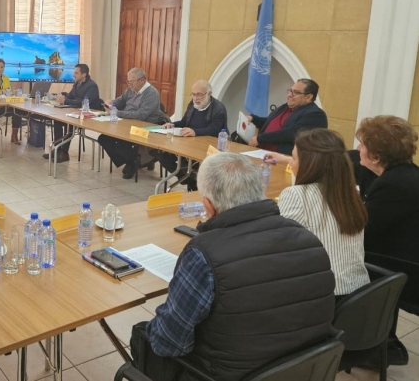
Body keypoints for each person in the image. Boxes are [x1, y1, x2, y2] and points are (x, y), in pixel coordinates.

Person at [131, 152, 335, 380]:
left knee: (143, 334)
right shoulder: (308, 238)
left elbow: (169, 342)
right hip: (303, 371)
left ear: (208, 207)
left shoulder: (204, 255)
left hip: (229, 375)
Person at [266, 128, 369, 297]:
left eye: (294, 158)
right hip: (359, 294)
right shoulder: (350, 194)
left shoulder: (296, 195)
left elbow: (280, 252)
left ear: (310, 164)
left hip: (321, 296)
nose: (291, 163)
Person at [354, 115, 419, 366]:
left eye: (362, 144)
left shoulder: (394, 184)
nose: (358, 148)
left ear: (376, 156)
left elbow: (363, 229)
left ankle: (373, 345)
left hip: (410, 273)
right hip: (404, 257)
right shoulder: (405, 173)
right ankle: (383, 341)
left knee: (343, 259)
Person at [154, 80, 227, 189]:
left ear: (209, 94)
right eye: (193, 94)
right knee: (163, 156)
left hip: (207, 147)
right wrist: (172, 124)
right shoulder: (192, 104)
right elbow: (184, 122)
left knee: (194, 164)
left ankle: (193, 180)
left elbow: (214, 130)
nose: (195, 98)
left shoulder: (218, 108)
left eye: (199, 94)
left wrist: (195, 132)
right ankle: (190, 180)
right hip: (189, 143)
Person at [99, 67, 168, 179]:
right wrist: (111, 103)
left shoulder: (151, 93)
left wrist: (117, 113)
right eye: (128, 82)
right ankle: (132, 160)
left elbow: (141, 115)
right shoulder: (130, 90)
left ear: (142, 80)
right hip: (128, 122)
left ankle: (135, 162)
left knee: (123, 141)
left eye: (132, 82)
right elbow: (120, 101)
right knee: (104, 138)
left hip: (145, 125)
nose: (129, 84)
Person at [247, 78, 327, 154]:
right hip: (261, 152)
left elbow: (291, 133)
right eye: (290, 91)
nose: (290, 95)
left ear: (308, 97)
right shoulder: (286, 107)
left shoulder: (316, 114)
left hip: (285, 158)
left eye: (296, 92)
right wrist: (253, 118)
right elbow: (270, 122)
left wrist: (260, 138)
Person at [43, 63, 102, 163]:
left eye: (76, 73)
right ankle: (57, 149)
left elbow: (84, 102)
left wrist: (66, 101)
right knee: (57, 120)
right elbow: (69, 97)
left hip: (89, 116)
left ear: (84, 74)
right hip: (76, 112)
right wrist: (62, 98)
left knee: (70, 123)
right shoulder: (77, 84)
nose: (73, 75)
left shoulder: (92, 86)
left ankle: (64, 153)